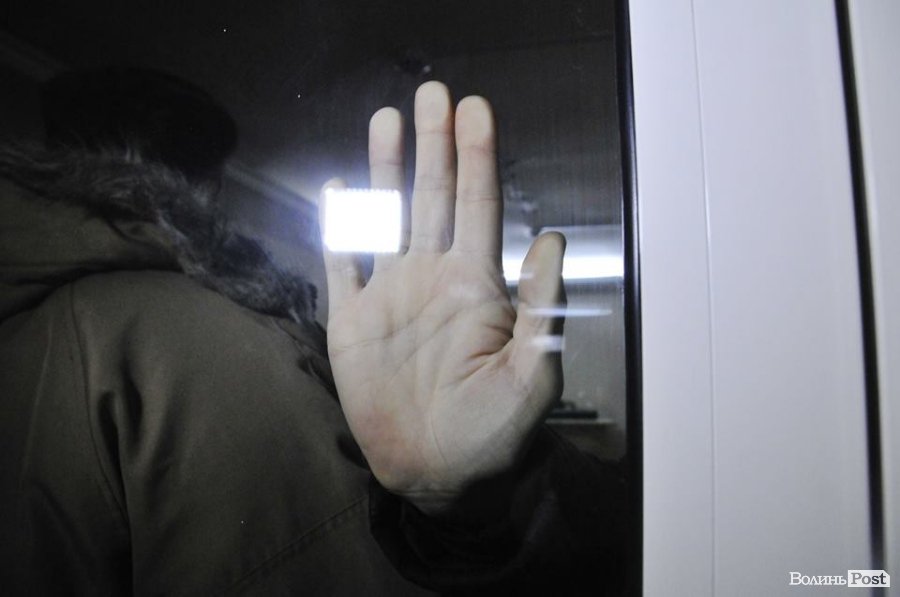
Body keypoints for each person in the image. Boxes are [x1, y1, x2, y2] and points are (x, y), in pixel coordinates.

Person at [0, 68, 626, 595]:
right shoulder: (195, 342)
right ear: (194, 184)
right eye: (214, 177)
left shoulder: (40, 330)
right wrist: (472, 513)